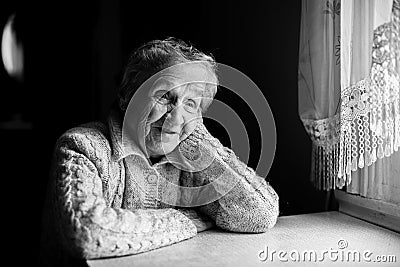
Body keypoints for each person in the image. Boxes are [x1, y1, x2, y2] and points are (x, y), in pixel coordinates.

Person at [40, 37, 279, 266]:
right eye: (166, 96)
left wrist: (199, 141)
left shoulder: (191, 162)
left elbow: (260, 213)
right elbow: (87, 232)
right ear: (127, 97)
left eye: (190, 104)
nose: (175, 117)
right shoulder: (82, 146)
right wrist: (187, 220)